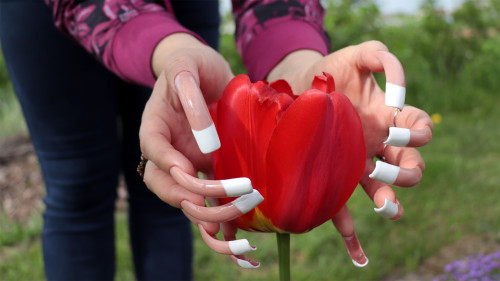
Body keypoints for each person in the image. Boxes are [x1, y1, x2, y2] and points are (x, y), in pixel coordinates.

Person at [0, 0, 433, 279]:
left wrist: (299, 63)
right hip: (52, 15)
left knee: (179, 179)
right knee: (79, 184)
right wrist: (164, 49)